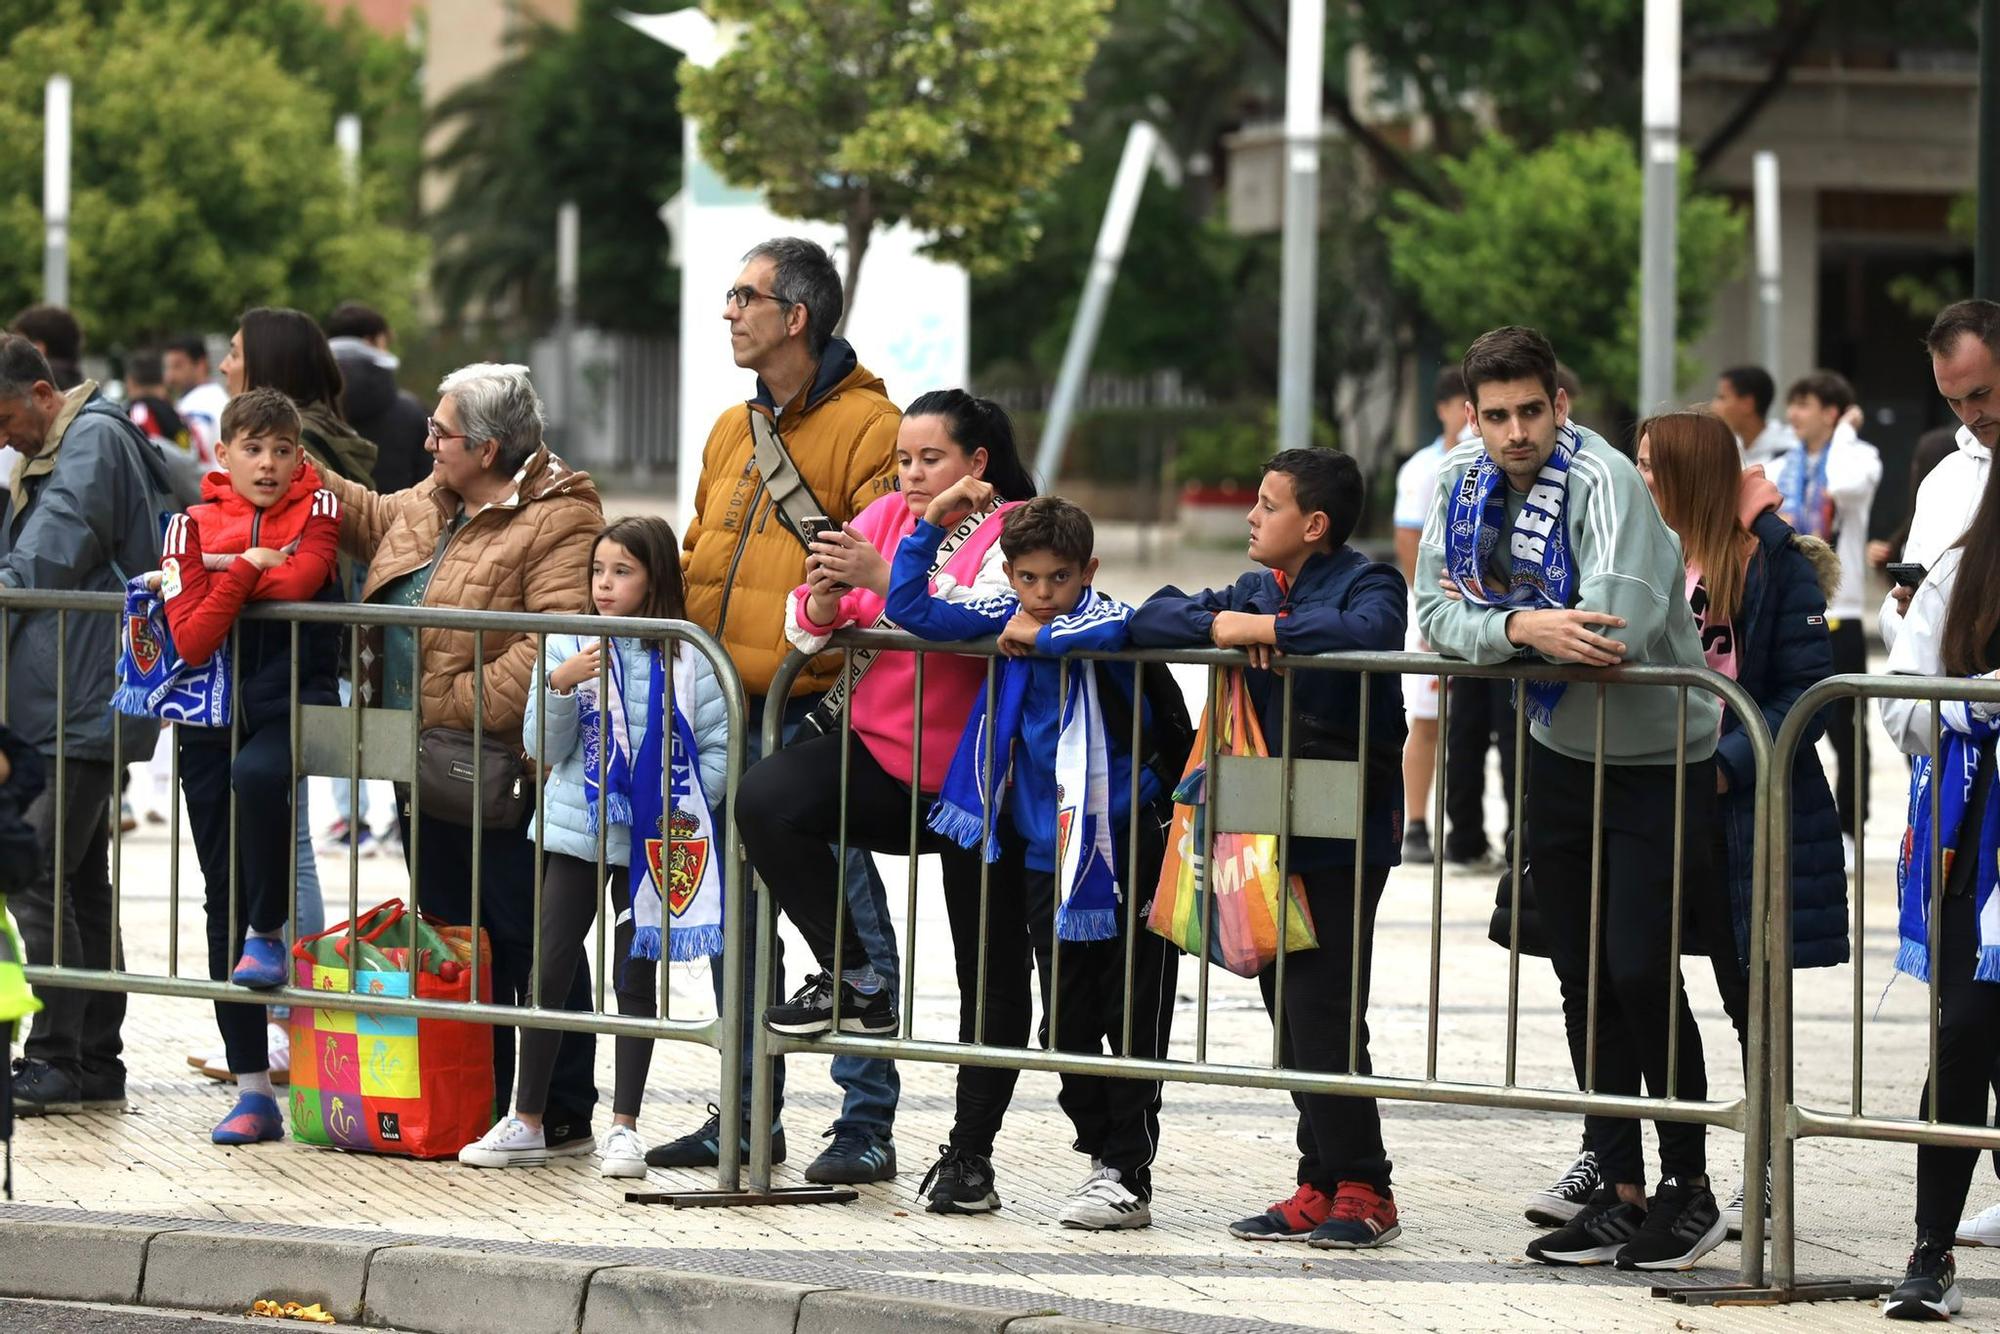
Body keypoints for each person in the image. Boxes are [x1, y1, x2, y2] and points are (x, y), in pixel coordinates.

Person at [1416, 325, 1727, 1272]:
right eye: (1496, 415)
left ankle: (1690, 1189)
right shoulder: (1459, 484)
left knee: (1639, 969)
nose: (1515, 433)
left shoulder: (1607, 482)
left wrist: (1511, 635)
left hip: (1656, 755)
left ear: (1562, 404)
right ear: (1473, 416)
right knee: (1581, 975)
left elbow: (1612, 631)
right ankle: (1620, 1188)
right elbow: (1430, 612)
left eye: (1531, 412)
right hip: (1553, 744)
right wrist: (1523, 626)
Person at [740, 389, 1034, 1209]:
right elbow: (806, 627)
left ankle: (971, 1154)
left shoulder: (1009, 528)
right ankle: (853, 973)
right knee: (765, 799)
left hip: (981, 784)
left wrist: (884, 582)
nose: (910, 474)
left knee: (994, 978)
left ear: (976, 466)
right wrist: (827, 600)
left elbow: (991, 616)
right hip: (879, 758)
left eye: (930, 459)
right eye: (904, 458)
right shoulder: (879, 518)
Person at [664, 237, 903, 1184]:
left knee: (847, 924)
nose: (728, 311)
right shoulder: (733, 427)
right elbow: (698, 552)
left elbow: (881, 569)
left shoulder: (873, 428)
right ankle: (747, 1115)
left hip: (813, 710)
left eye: (743, 296)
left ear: (794, 316)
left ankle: (865, 1126)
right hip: (727, 704)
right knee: (736, 920)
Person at [321, 362, 605, 1154]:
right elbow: (370, 515)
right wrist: (285, 451)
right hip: (425, 764)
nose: (425, 442)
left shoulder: (561, 519)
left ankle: (561, 1103)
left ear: (485, 447)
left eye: (440, 433)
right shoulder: (435, 497)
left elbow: (555, 641)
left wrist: (447, 704)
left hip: (502, 767)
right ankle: (484, 1093)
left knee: (524, 933)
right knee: (451, 928)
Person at [1131, 447, 1409, 1252]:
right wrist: (1228, 622)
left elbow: (1368, 632)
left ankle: (1367, 1189)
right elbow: (1154, 614)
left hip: (1342, 824)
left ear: (1313, 525)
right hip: (1263, 822)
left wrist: (1270, 631)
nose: (1251, 517)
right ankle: (1318, 1184)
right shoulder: (1254, 587)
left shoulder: (1369, 580)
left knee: (1324, 1008)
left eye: (1267, 504)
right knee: (1288, 1008)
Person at [883, 492, 1179, 1230]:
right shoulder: (1007, 611)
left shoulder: (1103, 615)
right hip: (1041, 859)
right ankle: (1100, 1153)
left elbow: (1105, 636)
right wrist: (934, 523)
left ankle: (1126, 1172)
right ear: (1008, 573)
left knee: (1129, 1013)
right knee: (1067, 1027)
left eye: (1060, 579)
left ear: (1089, 572)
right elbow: (910, 607)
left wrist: (1033, 633)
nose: (1044, 595)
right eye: (1028, 579)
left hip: (1119, 853)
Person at [459, 517, 728, 1180]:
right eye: (598, 572)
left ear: (656, 578)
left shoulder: (690, 653)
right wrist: (560, 685)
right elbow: (543, 750)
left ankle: (625, 1129)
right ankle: (526, 1120)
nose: (605, 586)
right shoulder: (569, 642)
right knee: (549, 965)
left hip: (654, 839)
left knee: (635, 976)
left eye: (623, 572)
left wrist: (672, 802)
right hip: (574, 830)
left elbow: (718, 752)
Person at [1636, 412, 1843, 1236]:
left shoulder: (1769, 559)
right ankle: (1671, 1174)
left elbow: (1809, 689)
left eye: (1656, 468)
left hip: (1739, 810)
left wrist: (1730, 763)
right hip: (1652, 795)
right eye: (1637, 465)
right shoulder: (1641, 553)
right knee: (1638, 981)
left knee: (1748, 997)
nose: (1642, 482)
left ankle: (1767, 1174)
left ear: (1694, 474)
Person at [156, 389, 343, 1145]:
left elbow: (304, 582)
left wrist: (224, 574)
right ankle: (251, 1089)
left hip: (288, 702)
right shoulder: (184, 524)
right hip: (206, 718)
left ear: (299, 456)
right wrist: (248, 568)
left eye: (282, 450)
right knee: (216, 899)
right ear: (222, 453)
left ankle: (271, 928)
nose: (268, 465)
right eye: (253, 449)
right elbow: (192, 639)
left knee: (262, 778)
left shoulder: (322, 508)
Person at [0, 334, 172, 1118]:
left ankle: (56, 1058)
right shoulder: (70, 441)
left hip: (77, 699)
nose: (2, 435)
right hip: (73, 695)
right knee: (76, 878)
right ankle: (96, 1055)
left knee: (37, 872)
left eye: (4, 416)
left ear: (41, 393)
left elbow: (40, 564)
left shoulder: (92, 439)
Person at [1875, 450, 2000, 1320]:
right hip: (1977, 848)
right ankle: (1931, 1247)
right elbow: (1898, 709)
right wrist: (1967, 702)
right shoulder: (1963, 567)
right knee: (1964, 1036)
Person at [321, 300, 428, 858]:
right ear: (377, 338)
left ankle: (349, 817)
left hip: (337, 551)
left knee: (345, 682)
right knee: (397, 676)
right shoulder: (408, 410)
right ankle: (401, 806)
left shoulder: (316, 408)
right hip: (398, 553)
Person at [1776, 370, 1880, 859]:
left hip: (1845, 610)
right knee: (1794, 720)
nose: (1793, 415)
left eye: (1804, 405)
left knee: (1846, 730)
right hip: (1796, 609)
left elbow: (1841, 486)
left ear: (1832, 413)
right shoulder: (1782, 466)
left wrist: (1843, 435)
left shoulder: (1860, 457)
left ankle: (1851, 826)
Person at [1883, 301, 2000, 652]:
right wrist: (1912, 611)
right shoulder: (1944, 479)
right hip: (1952, 698)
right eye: (1952, 401)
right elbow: (1895, 616)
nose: (1969, 414)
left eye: (1980, 394)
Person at [1393, 367, 1470, 865]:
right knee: (1427, 718)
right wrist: (1430, 612)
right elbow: (1408, 543)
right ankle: (1416, 821)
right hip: (1437, 609)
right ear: (1443, 408)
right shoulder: (1424, 470)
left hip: (1484, 610)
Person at [222, 308, 378, 490]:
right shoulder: (315, 429)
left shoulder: (294, 442)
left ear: (268, 364)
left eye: (234, 355)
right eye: (253, 450)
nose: (223, 366)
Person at [325, 301, 430, 495]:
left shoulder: (300, 408)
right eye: (385, 343)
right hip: (398, 520)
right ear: (369, 342)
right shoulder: (413, 412)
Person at [1712, 366, 1795, 469]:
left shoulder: (1790, 451)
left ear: (1748, 404)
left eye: (1722, 398)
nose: (1714, 406)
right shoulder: (1727, 451)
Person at [164, 334, 230, 461]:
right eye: (168, 368)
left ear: (200, 364)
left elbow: (191, 457)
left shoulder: (200, 404)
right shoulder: (213, 396)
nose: (170, 376)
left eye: (178, 366)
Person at [11, 306, 83, 390]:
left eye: (17, 345)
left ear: (37, 349)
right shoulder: (85, 392)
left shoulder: (24, 392)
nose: (10, 351)